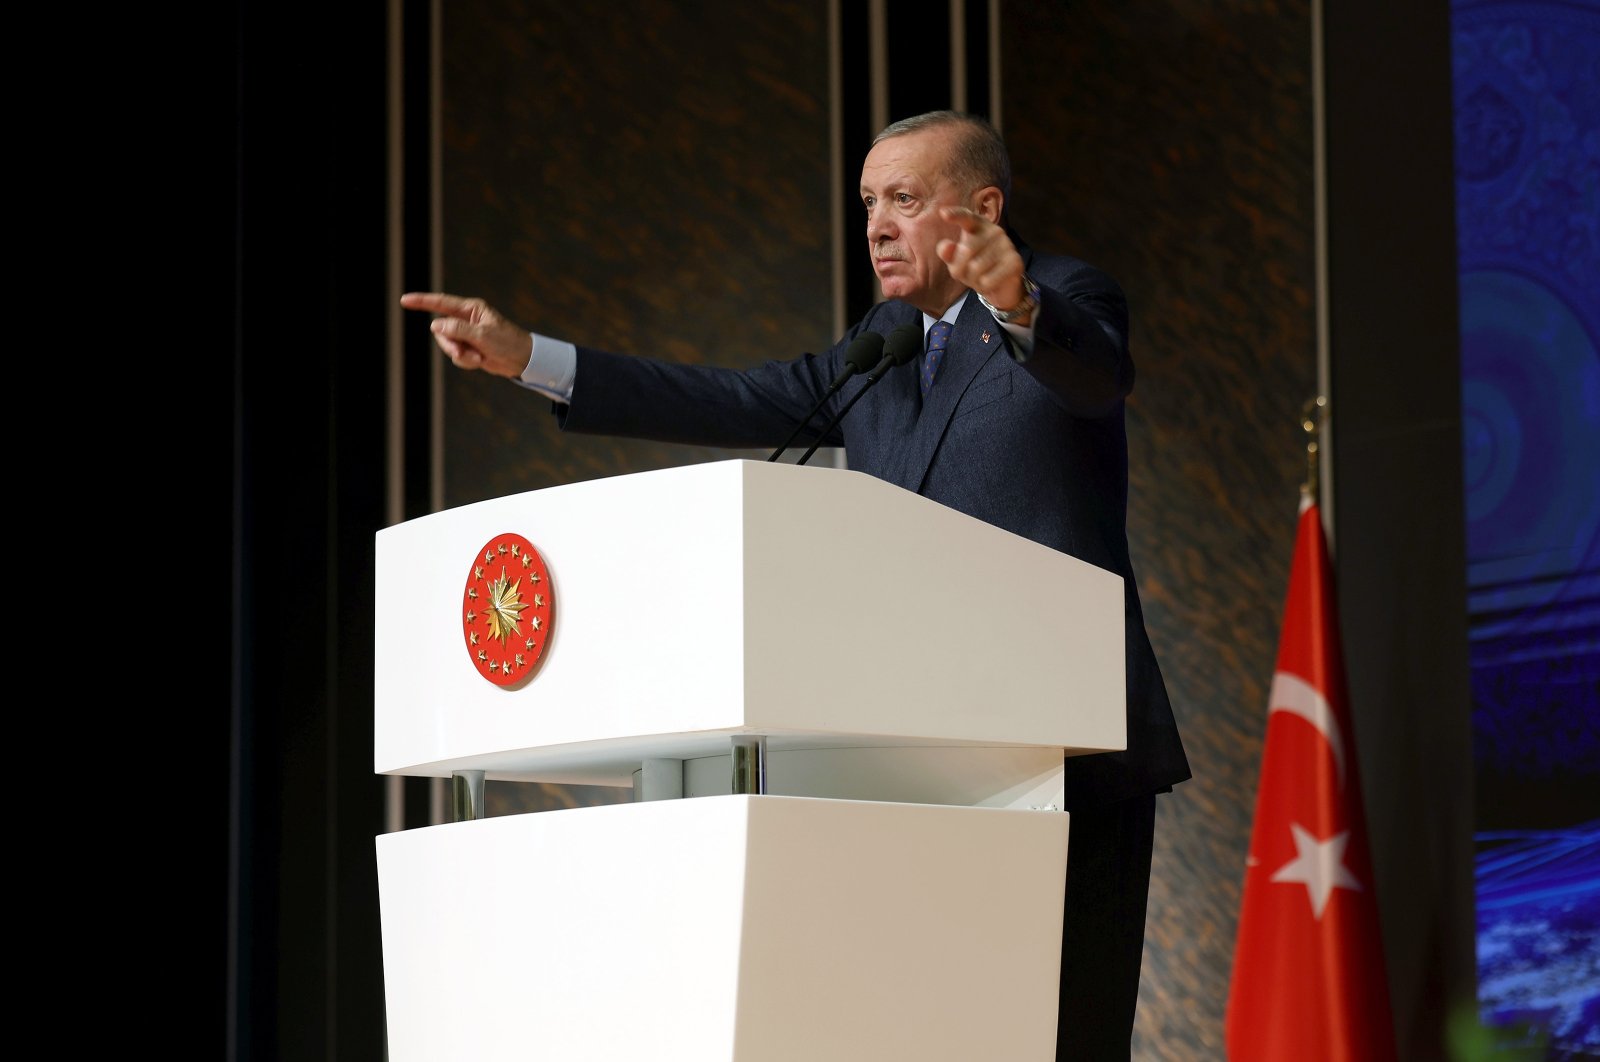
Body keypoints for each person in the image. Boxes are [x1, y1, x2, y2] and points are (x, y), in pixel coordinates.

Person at [403, 110, 1190, 1060]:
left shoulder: (1063, 297)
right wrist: (535, 358)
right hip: (910, 753)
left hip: (1070, 753)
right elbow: (736, 398)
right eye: (868, 203)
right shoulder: (884, 344)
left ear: (984, 207)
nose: (876, 225)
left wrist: (1019, 302)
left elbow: (1097, 375)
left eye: (904, 199)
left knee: (1062, 1037)